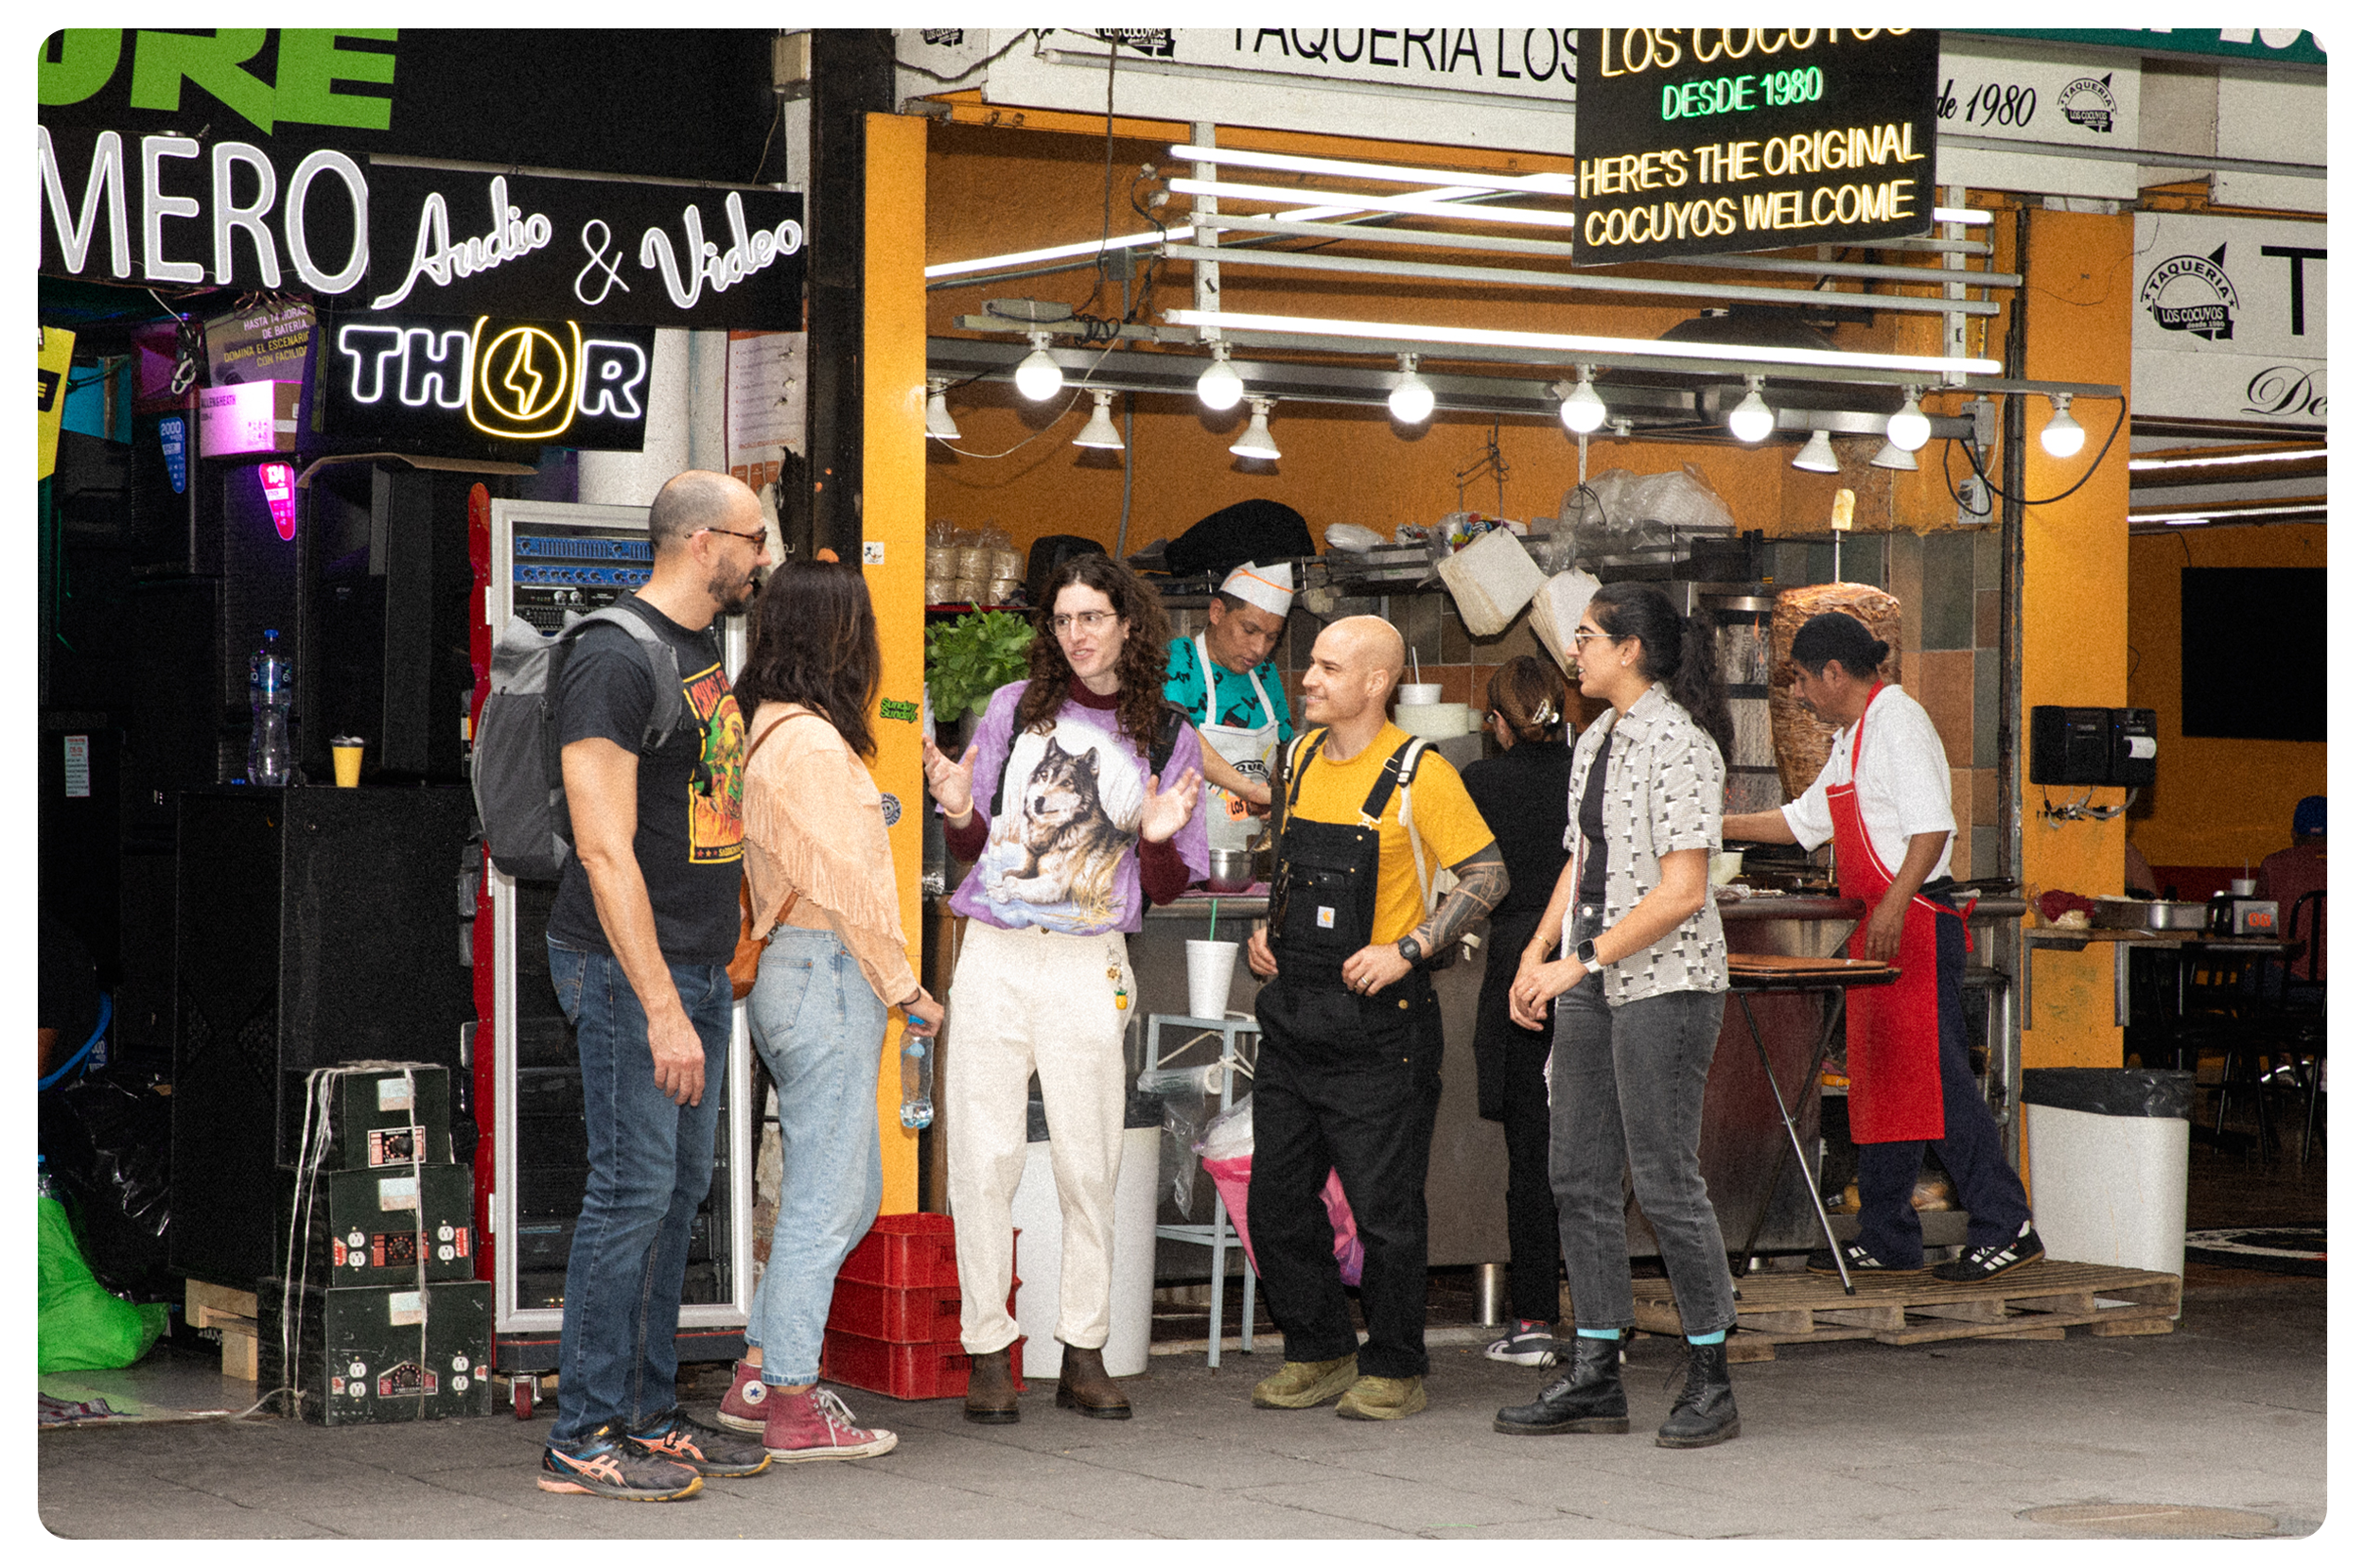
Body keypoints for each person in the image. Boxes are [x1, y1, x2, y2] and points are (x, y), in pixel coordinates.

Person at [920, 553, 1207, 1423]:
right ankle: (987, 1353)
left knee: (1093, 1161)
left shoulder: (1165, 731)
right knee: (982, 1157)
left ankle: (1084, 1350)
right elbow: (978, 847)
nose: (1077, 636)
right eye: (1064, 619)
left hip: (1091, 962)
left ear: (1128, 624)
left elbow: (1164, 885)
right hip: (997, 956)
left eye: (1093, 618)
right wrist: (960, 808)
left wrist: (1156, 835)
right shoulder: (1014, 709)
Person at [538, 470, 777, 1502]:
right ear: (700, 542)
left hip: (689, 962)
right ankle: (580, 1433)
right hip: (627, 966)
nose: (762, 558)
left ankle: (645, 1413)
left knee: (676, 1194)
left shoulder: (700, 649)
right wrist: (664, 1004)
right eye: (753, 539)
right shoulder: (609, 658)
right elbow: (602, 849)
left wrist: (727, 943)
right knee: (630, 1192)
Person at [1722, 612, 2042, 1287]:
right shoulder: (1851, 739)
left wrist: (1894, 906)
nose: (1802, 695)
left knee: (1938, 1084)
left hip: (1913, 922)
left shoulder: (1899, 723)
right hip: (1880, 930)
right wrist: (1709, 824)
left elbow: (1931, 831)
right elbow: (1801, 822)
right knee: (1885, 1082)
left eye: (1804, 681)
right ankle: (1888, 1233)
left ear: (1835, 673)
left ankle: (2005, 1223)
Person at [1494, 582, 1741, 1451]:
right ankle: (1597, 1368)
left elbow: (1682, 893)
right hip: (1594, 974)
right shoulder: (1597, 734)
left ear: (1631, 649)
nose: (1577, 651)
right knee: (1578, 1177)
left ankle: (1712, 1373)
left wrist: (1579, 963)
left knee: (1666, 1181)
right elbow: (1582, 860)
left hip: (1666, 980)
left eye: (1590, 637)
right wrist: (1535, 953)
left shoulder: (1682, 744)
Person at [1243, 616, 1508, 1421]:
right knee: (1276, 1202)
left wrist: (1411, 946)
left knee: (1385, 1211)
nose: (1310, 679)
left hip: (1381, 1028)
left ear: (1374, 683)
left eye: (1328, 668)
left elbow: (1488, 875)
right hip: (1294, 1018)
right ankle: (1318, 1350)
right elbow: (1281, 861)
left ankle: (1395, 1364)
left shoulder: (1419, 774)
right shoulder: (1295, 759)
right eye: (1312, 665)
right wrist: (1269, 929)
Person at [714, 562, 941, 1463]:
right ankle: (794, 1403)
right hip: (829, 970)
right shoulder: (811, 746)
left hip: (792, 974)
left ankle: (760, 1374)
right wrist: (907, 988)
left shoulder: (760, 728)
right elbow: (856, 890)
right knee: (828, 1196)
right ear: (841, 639)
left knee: (842, 1191)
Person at [1458, 656, 1574, 1366]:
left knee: (1531, 1155)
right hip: (1586, 962)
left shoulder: (1481, 782)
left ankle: (1532, 1322)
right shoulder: (1588, 772)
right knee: (1589, 1152)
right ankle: (1598, 1324)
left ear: (1497, 724)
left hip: (1517, 969)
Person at [1163, 561, 1295, 854]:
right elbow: (1180, 738)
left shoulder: (1265, 674)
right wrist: (1250, 789)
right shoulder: (1179, 658)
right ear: (1217, 612)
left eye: (1271, 637)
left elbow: (1285, 750)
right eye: (1249, 630)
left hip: (1250, 853)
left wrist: (1282, 796)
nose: (1259, 649)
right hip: (1184, 852)